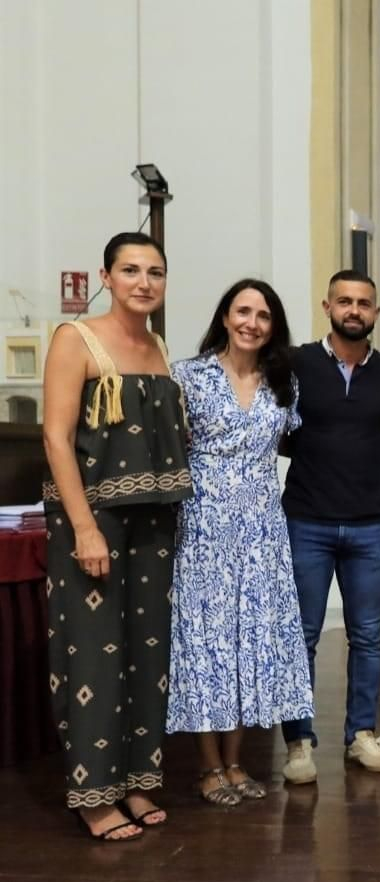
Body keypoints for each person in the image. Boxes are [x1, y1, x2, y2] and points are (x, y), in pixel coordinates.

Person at [40, 232, 193, 841]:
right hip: (94, 519)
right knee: (93, 655)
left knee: (148, 654)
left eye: (155, 272)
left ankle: (136, 780)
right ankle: (93, 794)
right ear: (106, 277)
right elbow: (55, 439)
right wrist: (83, 528)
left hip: (154, 520)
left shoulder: (157, 346)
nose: (143, 282)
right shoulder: (75, 339)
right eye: (130, 270)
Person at [166, 279, 314, 806]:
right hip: (203, 527)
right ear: (225, 317)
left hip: (261, 530)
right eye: (243, 311)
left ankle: (235, 762)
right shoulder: (188, 375)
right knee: (206, 646)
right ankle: (208, 767)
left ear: (274, 326)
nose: (252, 322)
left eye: (263, 315)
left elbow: (293, 440)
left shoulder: (283, 382)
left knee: (250, 643)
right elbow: (169, 448)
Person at [278, 270, 380, 784]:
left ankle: (361, 735)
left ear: (376, 312)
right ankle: (299, 744)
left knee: (369, 637)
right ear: (327, 306)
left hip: (370, 525)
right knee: (301, 636)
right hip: (305, 521)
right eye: (345, 301)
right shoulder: (296, 364)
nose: (354, 310)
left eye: (364, 303)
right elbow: (273, 427)